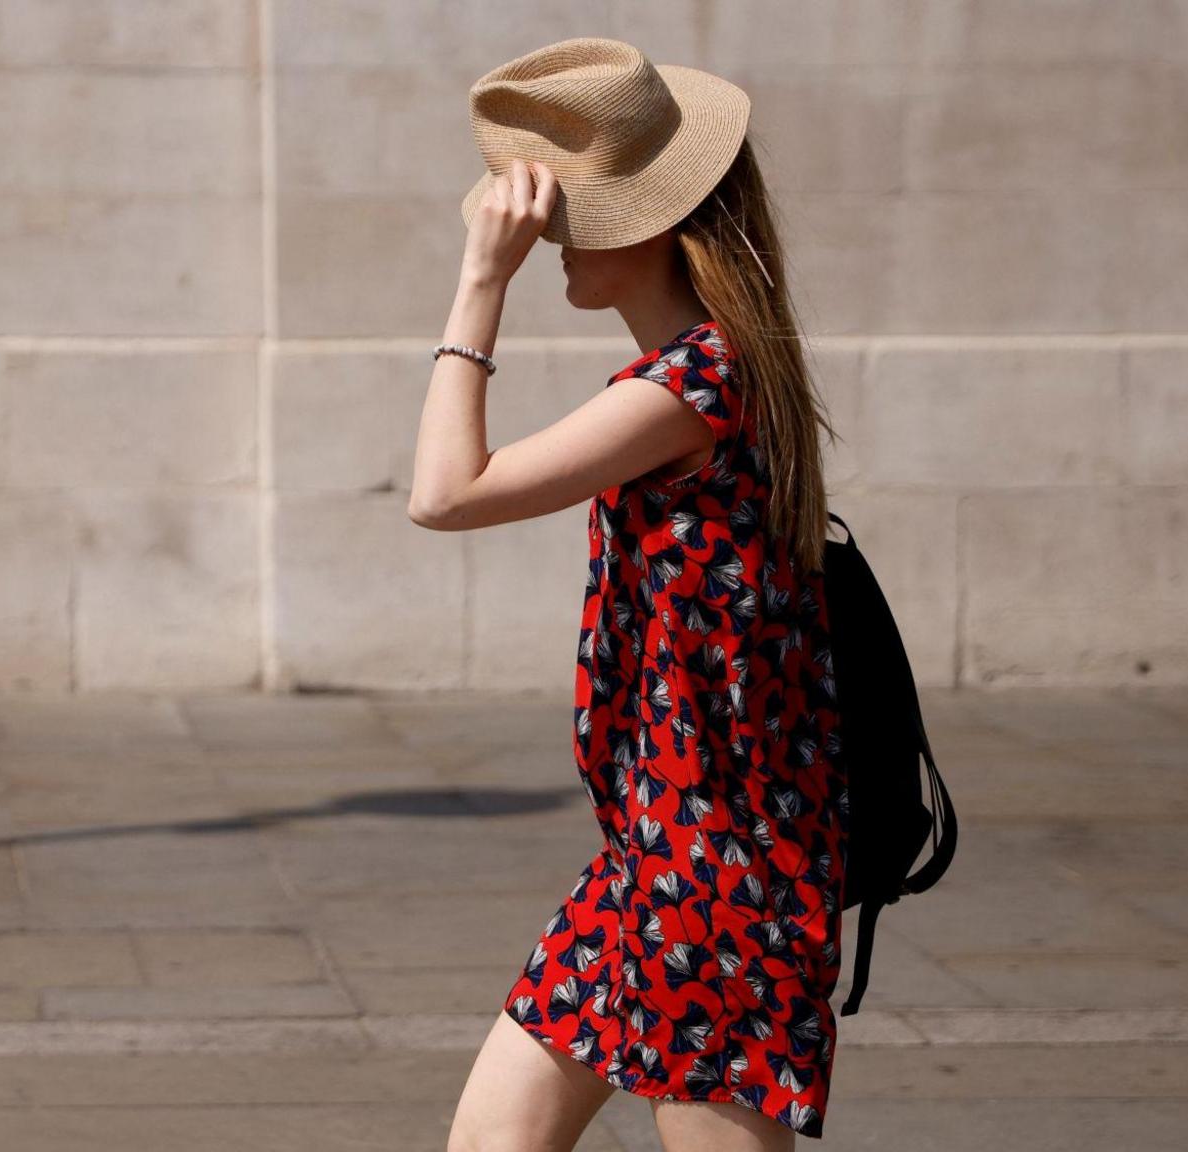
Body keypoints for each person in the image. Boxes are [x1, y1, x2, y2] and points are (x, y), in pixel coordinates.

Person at [409, 39, 846, 1152]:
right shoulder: (708, 371)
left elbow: (445, 495)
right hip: (651, 859)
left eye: (568, 219)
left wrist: (478, 285)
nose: (547, 241)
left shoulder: (694, 385)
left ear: (642, 226)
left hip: (720, 872)